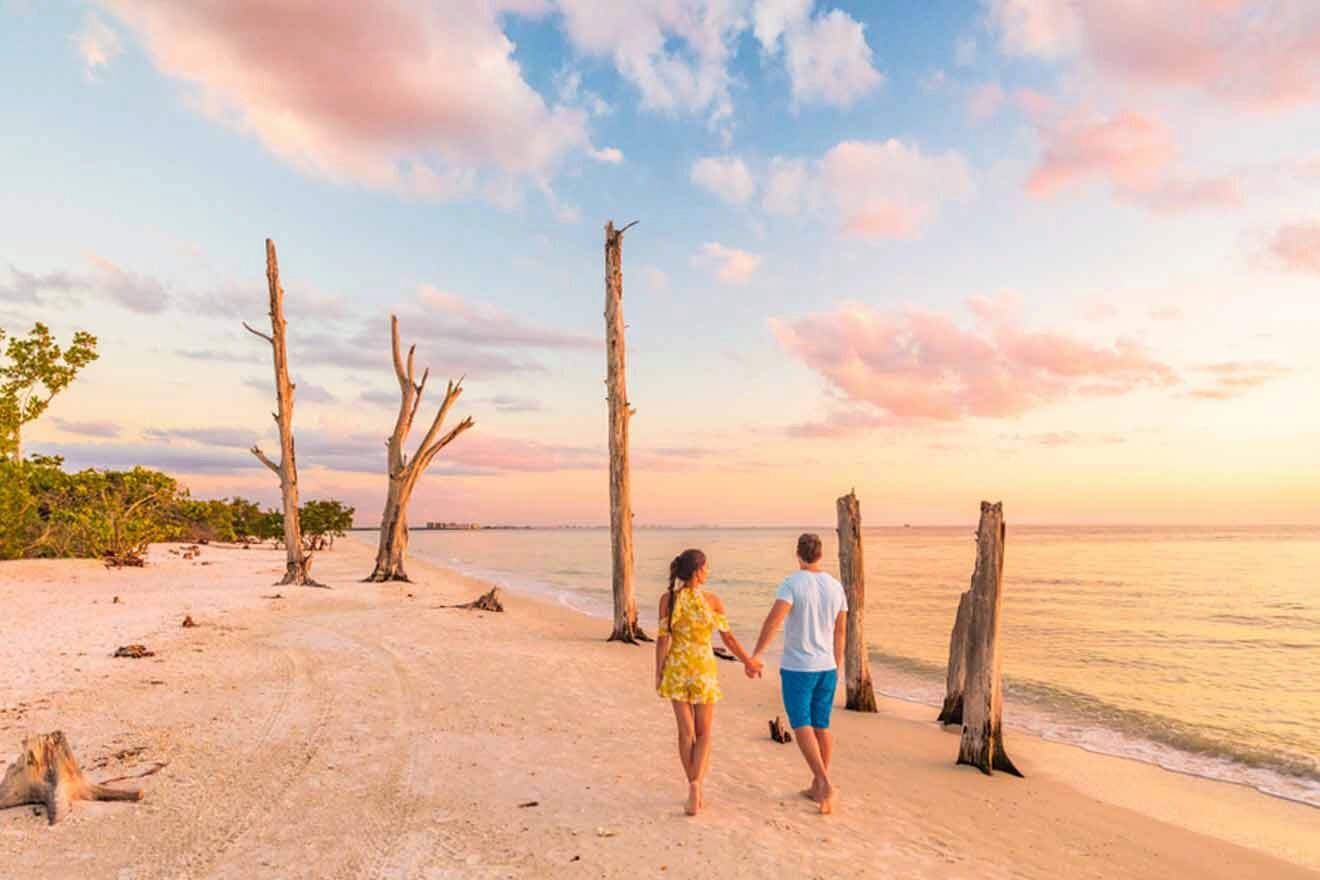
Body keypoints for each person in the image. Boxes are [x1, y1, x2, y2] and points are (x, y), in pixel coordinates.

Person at [654, 548, 759, 816]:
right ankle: (697, 786)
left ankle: (692, 787)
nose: (708, 571)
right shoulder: (712, 601)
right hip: (703, 668)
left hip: (677, 667)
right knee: (704, 734)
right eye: (706, 567)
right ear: (698, 571)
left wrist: (658, 672)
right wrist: (748, 661)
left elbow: (663, 639)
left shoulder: (668, 599)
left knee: (685, 733)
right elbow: (728, 639)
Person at [748, 533, 847, 814]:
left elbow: (774, 620)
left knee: (801, 723)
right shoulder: (836, 586)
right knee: (821, 725)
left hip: (798, 667)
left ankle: (825, 783)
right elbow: (841, 632)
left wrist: (757, 654)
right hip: (826, 666)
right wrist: (836, 665)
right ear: (821, 554)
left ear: (798, 554)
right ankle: (818, 785)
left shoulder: (792, 583)